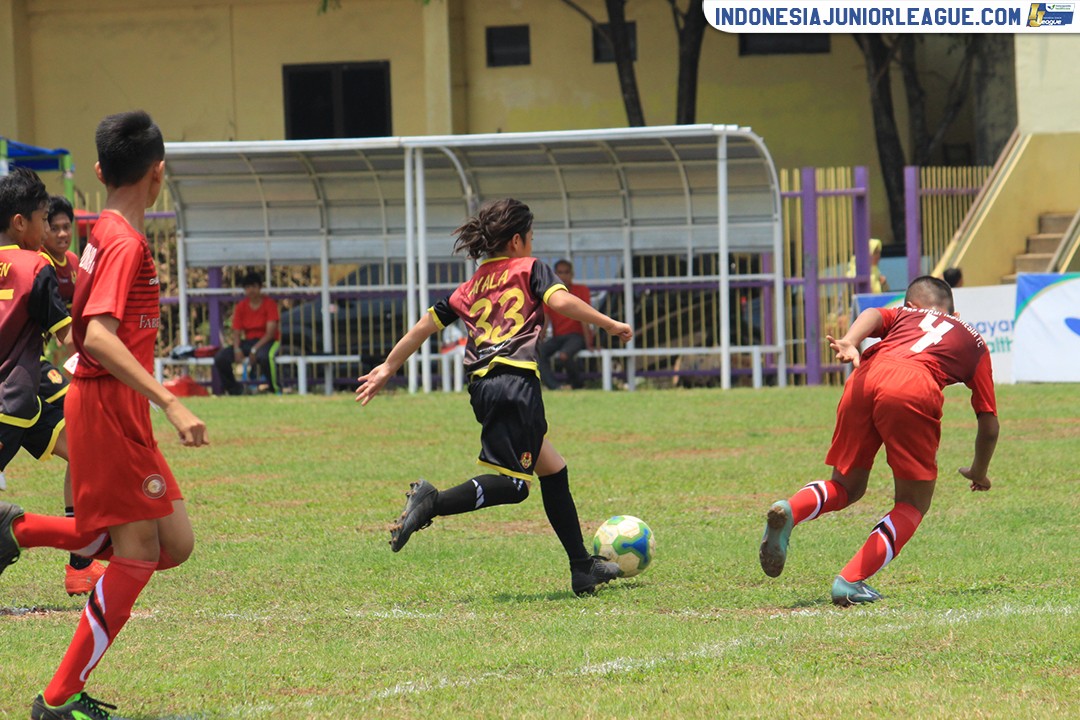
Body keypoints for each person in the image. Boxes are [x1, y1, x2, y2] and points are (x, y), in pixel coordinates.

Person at [2, 110, 209, 720]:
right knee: (141, 552)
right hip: (109, 403)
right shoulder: (123, 242)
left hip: (109, 405)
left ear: (98, 170)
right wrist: (169, 399)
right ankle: (57, 700)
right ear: (159, 172)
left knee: (173, 543)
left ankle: (18, 529)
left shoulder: (102, 234)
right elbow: (95, 338)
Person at [356, 198, 634, 596]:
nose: (533, 246)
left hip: (483, 387)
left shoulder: (469, 286)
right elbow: (559, 301)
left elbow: (423, 326)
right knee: (516, 486)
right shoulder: (531, 268)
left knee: (552, 468)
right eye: (532, 238)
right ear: (518, 240)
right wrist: (608, 323)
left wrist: (388, 366)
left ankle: (581, 568)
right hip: (516, 383)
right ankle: (432, 502)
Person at [758, 276, 998, 606]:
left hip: (866, 376)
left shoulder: (905, 315)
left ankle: (791, 509)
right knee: (913, 503)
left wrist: (849, 340)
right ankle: (850, 581)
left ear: (911, 305)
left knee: (846, 487)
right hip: (913, 386)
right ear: (952, 312)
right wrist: (979, 470)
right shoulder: (974, 340)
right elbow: (988, 422)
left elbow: (873, 312)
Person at [39, 195, 109, 594]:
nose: (63, 233)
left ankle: (80, 563)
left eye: (68, 226)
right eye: (54, 226)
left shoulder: (72, 264)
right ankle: (81, 560)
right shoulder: (37, 266)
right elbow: (68, 336)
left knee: (83, 450)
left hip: (42, 374)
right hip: (27, 376)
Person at [213, 270, 281, 395]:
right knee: (221, 358)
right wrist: (237, 349)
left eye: (254, 286)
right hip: (248, 342)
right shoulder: (241, 306)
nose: (251, 290)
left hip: (268, 342)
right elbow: (237, 332)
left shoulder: (269, 304)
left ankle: (274, 389)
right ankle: (235, 390)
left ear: (260, 287)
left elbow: (270, 333)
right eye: (247, 287)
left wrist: (255, 349)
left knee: (265, 357)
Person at [538, 259, 594, 390]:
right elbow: (545, 320)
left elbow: (584, 319)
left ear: (572, 274)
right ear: (555, 274)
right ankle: (555, 386)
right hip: (558, 337)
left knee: (564, 355)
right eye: (560, 272)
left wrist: (589, 343)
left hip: (576, 336)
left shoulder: (581, 290)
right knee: (538, 352)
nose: (563, 275)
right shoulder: (550, 293)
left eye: (566, 272)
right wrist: (538, 340)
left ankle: (577, 384)